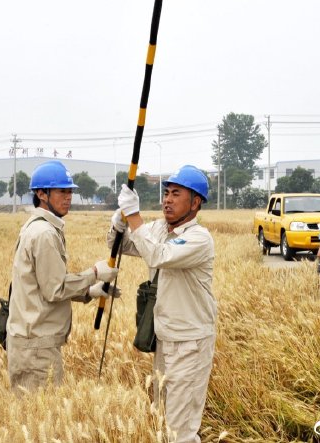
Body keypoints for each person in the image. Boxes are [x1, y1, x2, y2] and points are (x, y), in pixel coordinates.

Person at [109, 165, 216, 443]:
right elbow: (123, 246)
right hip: (164, 338)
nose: (167, 200)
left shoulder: (199, 239)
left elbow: (158, 255)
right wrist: (119, 224)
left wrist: (134, 216)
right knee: (163, 419)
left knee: (180, 429)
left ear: (195, 203)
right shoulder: (158, 229)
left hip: (190, 343)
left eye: (176, 194)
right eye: (166, 193)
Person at [6, 161, 119, 392]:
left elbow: (45, 283)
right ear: (41, 194)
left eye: (70, 192)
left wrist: (89, 292)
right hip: (37, 346)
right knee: (39, 412)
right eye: (61, 191)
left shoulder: (37, 227)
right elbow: (54, 289)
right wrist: (94, 273)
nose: (68, 197)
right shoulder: (44, 234)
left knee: (32, 411)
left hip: (32, 342)